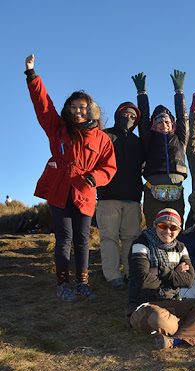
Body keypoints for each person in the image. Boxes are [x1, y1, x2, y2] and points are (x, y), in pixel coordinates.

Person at [25, 54, 117, 301]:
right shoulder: (57, 128)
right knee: (64, 238)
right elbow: (43, 105)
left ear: (91, 111)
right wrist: (32, 76)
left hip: (85, 194)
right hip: (59, 190)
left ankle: (83, 284)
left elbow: (109, 167)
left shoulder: (102, 138)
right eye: (74, 107)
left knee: (83, 240)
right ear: (68, 110)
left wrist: (94, 178)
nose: (78, 111)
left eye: (83, 107)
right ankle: (63, 284)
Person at [128, 208, 195, 349]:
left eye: (173, 227)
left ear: (179, 230)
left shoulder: (181, 247)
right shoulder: (140, 245)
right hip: (145, 305)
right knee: (160, 320)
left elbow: (188, 280)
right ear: (155, 225)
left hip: (171, 303)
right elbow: (143, 281)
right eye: (163, 226)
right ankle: (192, 326)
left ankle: (173, 341)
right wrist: (174, 273)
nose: (168, 231)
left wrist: (160, 270)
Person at [97, 101, 144, 290]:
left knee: (131, 237)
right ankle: (112, 275)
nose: (129, 119)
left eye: (133, 117)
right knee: (108, 237)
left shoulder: (138, 142)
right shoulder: (104, 135)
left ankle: (130, 273)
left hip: (132, 198)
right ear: (118, 115)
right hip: (108, 196)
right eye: (125, 115)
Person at [132, 70, 188, 227]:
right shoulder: (149, 139)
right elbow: (143, 118)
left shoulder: (180, 139)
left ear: (172, 124)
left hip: (177, 190)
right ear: (153, 124)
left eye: (167, 122)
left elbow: (183, 118)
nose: (164, 124)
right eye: (159, 122)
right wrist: (142, 93)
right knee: (153, 228)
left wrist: (179, 92)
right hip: (153, 190)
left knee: (176, 228)